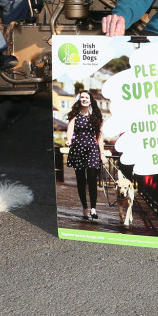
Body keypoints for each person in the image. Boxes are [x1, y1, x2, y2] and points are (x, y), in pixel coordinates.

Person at [64, 91, 108, 220]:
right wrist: (68, 140)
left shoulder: (95, 116)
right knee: (81, 181)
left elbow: (99, 137)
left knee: (92, 177)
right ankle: (84, 208)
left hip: (92, 150)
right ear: (79, 100)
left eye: (86, 98)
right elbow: (70, 130)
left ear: (90, 101)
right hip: (78, 149)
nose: (84, 99)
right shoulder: (75, 116)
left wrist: (102, 154)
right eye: (82, 97)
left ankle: (93, 208)